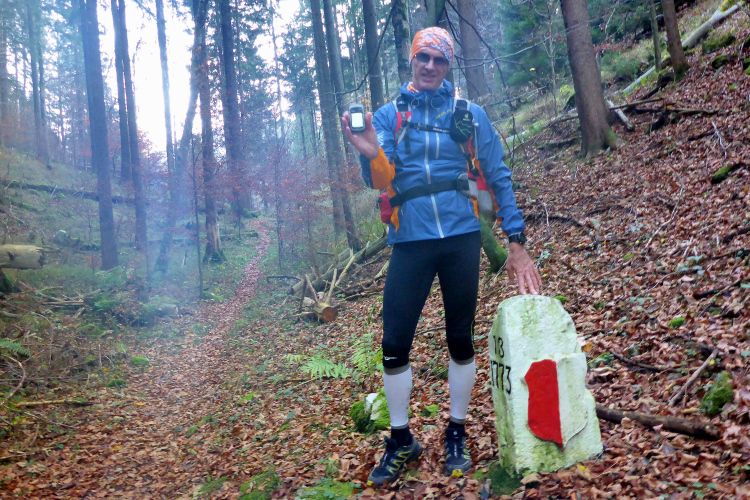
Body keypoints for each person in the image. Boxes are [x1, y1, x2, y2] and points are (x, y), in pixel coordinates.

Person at [342, 27, 542, 487]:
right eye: (423, 57)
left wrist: (515, 240)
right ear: (412, 60)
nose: (430, 66)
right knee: (394, 343)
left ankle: (456, 432)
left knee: (459, 339)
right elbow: (381, 179)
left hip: (461, 237)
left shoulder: (469, 114)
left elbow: (498, 174)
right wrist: (370, 153)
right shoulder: (388, 116)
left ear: (449, 66)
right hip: (410, 240)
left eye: (439, 60)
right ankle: (400, 439)